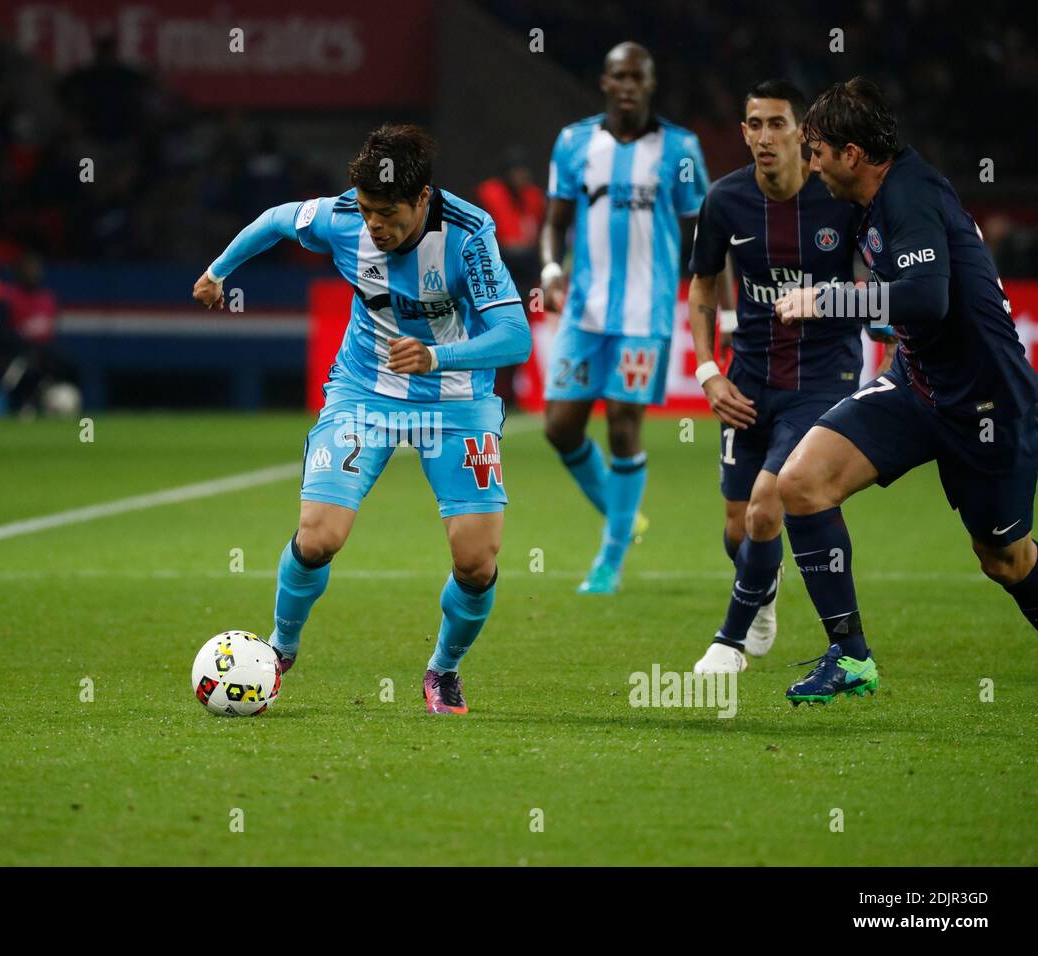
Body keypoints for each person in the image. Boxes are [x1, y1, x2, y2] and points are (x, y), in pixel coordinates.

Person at [192, 124, 531, 714]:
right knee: (318, 537)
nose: (374, 225)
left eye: (388, 213)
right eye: (369, 211)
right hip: (364, 393)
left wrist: (436, 355)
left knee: (476, 563)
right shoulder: (344, 218)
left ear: (423, 199)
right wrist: (219, 271)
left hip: (456, 401)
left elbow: (515, 337)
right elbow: (276, 219)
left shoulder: (470, 236)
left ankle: (443, 669)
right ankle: (280, 648)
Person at [774, 78, 1038, 704]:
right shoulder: (869, 201)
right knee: (800, 483)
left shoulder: (911, 195)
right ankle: (851, 656)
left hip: (987, 404)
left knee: (1005, 559)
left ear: (852, 154)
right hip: (918, 387)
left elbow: (926, 298)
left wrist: (829, 300)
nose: (811, 163)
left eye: (816, 150)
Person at [687, 79, 882, 674]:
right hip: (748, 378)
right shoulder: (724, 200)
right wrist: (707, 373)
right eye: (755, 125)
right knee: (737, 525)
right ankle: (763, 586)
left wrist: (881, 327)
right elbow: (701, 286)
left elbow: (880, 281)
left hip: (824, 378)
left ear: (803, 132)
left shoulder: (839, 200)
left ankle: (729, 641)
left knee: (767, 507)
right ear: (743, 132)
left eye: (777, 124)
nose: (765, 137)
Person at [540, 42, 709, 594]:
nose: (628, 84)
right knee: (561, 427)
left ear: (650, 82)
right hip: (584, 311)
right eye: (619, 76)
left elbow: (704, 232)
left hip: (646, 313)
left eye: (638, 75)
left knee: (621, 426)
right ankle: (623, 512)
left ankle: (609, 561)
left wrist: (721, 310)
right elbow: (555, 219)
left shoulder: (680, 148)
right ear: (605, 82)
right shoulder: (575, 142)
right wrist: (548, 267)